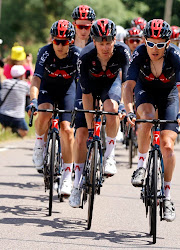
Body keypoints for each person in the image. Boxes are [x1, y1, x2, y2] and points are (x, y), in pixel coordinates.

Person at [124, 19, 180, 222]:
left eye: (160, 44)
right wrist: (128, 111)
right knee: (146, 116)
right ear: (144, 41)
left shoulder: (175, 56)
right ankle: (141, 165)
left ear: (168, 44)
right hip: (145, 92)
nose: (154, 48)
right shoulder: (139, 54)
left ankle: (168, 197)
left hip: (169, 95)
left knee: (167, 146)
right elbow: (128, 87)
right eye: (150, 43)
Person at [69, 19, 130, 208]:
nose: (105, 47)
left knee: (111, 108)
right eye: (100, 42)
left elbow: (127, 84)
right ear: (93, 41)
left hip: (110, 84)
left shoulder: (123, 51)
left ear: (114, 40)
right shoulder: (85, 56)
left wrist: (124, 107)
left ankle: (110, 156)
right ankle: (77, 185)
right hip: (88, 89)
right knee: (80, 135)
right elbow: (86, 94)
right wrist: (89, 129)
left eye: (108, 41)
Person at [26, 20, 79, 196]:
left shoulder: (77, 55)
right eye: (57, 41)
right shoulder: (45, 52)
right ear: (52, 40)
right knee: (45, 111)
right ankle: (40, 144)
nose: (60, 45)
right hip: (47, 90)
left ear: (71, 41)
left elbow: (84, 83)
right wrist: (33, 100)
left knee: (67, 130)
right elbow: (36, 80)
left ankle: (66, 176)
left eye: (64, 42)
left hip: (67, 92)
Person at [69, 5, 96, 206]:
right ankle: (76, 183)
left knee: (98, 125)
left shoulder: (100, 41)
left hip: (98, 87)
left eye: (88, 26)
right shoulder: (66, 42)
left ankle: (100, 153)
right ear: (74, 25)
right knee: (80, 135)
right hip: (77, 89)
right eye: (80, 26)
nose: (84, 30)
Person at [0, 65, 29, 137]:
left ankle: (7, 130)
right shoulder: (24, 85)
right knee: (25, 132)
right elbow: (31, 93)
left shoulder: (5, 83)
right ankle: (14, 131)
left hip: (3, 113)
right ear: (22, 75)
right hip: (17, 116)